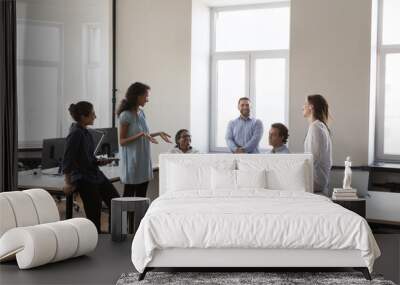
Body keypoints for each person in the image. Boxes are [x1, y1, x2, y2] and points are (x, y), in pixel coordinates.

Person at [63, 101, 120, 233]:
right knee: (94, 212)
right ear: (83, 116)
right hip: (84, 177)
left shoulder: (85, 132)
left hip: (94, 173)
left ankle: (114, 235)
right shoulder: (75, 133)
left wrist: (100, 162)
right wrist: (67, 182)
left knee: (116, 201)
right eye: (93, 114)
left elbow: (89, 158)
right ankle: (96, 241)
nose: (95, 116)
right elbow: (68, 159)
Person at [118, 82, 172, 198]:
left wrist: (158, 133)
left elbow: (145, 135)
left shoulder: (141, 113)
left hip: (144, 162)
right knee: (129, 199)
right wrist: (141, 134)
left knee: (142, 198)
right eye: (146, 96)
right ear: (137, 96)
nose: (147, 100)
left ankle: (141, 217)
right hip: (132, 164)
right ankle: (128, 218)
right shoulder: (125, 115)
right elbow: (122, 141)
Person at [303, 94, 332, 195]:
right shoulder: (319, 126)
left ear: (311, 107)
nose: (302, 107)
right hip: (318, 181)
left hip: (316, 183)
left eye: (305, 104)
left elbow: (313, 158)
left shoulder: (315, 127)